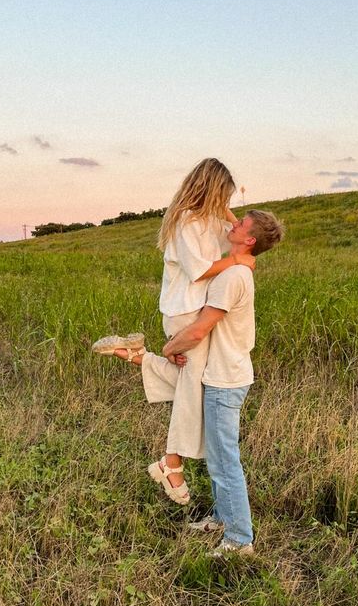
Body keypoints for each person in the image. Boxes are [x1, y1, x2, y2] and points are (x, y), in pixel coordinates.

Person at [107, 209, 284, 556]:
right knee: (218, 456)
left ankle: (239, 539)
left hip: (224, 380)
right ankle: (220, 518)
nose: (232, 224)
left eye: (241, 224)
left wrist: (170, 346)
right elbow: (238, 227)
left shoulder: (232, 277)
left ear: (249, 240)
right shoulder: (237, 267)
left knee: (224, 460)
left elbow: (201, 328)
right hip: (223, 374)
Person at [92, 158, 255, 504]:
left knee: (191, 380)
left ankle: (135, 355)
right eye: (221, 195)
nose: (226, 205)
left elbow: (239, 232)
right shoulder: (185, 221)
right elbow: (199, 270)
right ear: (210, 190)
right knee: (194, 386)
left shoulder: (209, 218)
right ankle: (171, 463)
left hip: (196, 309)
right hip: (184, 312)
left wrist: (226, 212)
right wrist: (240, 262)